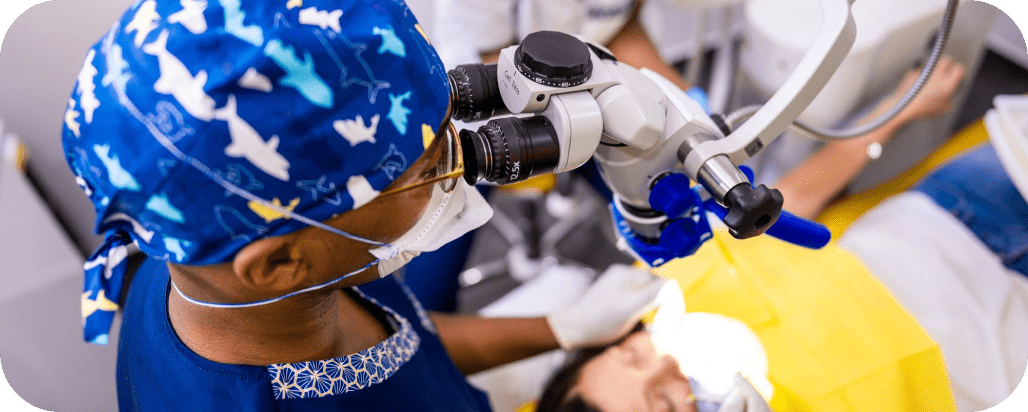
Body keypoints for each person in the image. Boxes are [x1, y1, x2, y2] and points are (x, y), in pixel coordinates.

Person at [62, 1, 672, 410]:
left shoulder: (210, 273)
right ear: (278, 262)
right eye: (432, 168)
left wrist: (559, 330)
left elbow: (401, 344)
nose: (462, 170)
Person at [535, 141, 1028, 411]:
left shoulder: (673, 289)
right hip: (1004, 354)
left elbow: (785, 200)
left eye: (633, 355)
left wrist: (902, 107)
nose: (668, 364)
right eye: (666, 404)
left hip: (951, 215)